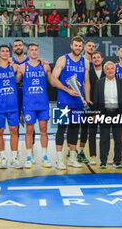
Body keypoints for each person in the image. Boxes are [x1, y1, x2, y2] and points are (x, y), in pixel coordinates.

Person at [51, 36, 91, 169]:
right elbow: (53, 79)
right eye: (76, 45)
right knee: (61, 129)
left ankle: (72, 158)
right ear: (71, 45)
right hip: (63, 100)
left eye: (80, 46)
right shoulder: (63, 59)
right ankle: (58, 159)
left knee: (74, 129)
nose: (78, 48)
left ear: (82, 47)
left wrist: (86, 98)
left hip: (78, 102)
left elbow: (86, 82)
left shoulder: (85, 61)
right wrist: (67, 90)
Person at [16, 43, 52, 168]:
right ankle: (29, 156)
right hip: (29, 104)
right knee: (29, 131)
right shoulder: (22, 67)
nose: (34, 52)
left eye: (36, 50)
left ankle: (44, 156)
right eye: (32, 50)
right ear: (28, 52)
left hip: (42, 103)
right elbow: (15, 81)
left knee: (44, 131)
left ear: (38, 51)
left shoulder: (45, 66)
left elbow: (52, 81)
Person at [0, 45, 22, 169]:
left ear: (9, 53)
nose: (5, 53)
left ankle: (14, 158)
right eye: (3, 51)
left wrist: (41, 61)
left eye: (7, 51)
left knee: (14, 131)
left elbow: (25, 68)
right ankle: (2, 158)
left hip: (12, 104)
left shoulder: (15, 67)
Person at [94, 61, 122, 169]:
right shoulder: (99, 83)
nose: (110, 70)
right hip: (104, 113)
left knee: (118, 139)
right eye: (108, 69)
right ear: (105, 71)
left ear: (115, 70)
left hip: (117, 113)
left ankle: (117, 161)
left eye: (112, 68)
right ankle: (103, 161)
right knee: (104, 138)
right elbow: (96, 99)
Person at [76, 40, 96, 163]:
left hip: (94, 99)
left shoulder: (96, 62)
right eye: (89, 45)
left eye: (93, 46)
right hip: (81, 98)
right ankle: (72, 150)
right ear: (84, 47)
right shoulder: (80, 61)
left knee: (90, 127)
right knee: (79, 126)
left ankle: (84, 151)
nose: (91, 47)